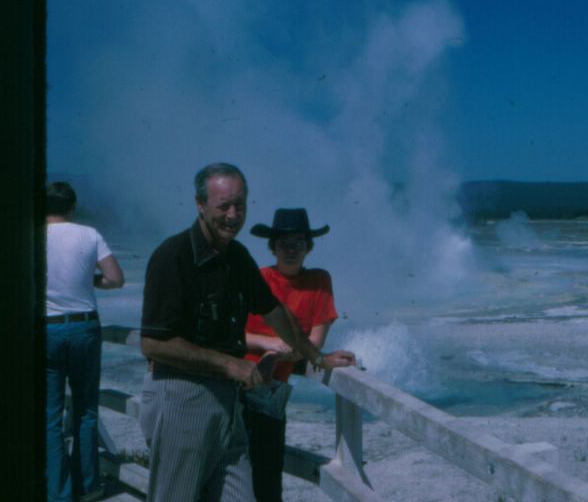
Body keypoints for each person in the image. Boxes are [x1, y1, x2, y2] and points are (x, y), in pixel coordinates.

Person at [138, 163, 355, 502]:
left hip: (230, 402)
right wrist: (230, 364)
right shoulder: (174, 256)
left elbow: (274, 310)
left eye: (239, 205)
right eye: (223, 205)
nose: (233, 215)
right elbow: (153, 343)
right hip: (182, 395)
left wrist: (317, 357)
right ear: (200, 204)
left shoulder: (237, 257)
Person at [243, 208, 339, 502]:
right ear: (272, 247)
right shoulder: (258, 278)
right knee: (235, 472)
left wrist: (280, 353)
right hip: (236, 382)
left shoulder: (319, 281)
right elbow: (231, 335)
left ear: (308, 247)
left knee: (266, 479)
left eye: (298, 242)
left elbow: (314, 343)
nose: (291, 249)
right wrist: (270, 344)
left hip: (271, 392)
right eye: (283, 243)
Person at [45, 181, 125, 502]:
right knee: (86, 410)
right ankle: (88, 487)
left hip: (48, 329)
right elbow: (116, 278)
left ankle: (58, 493)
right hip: (84, 327)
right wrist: (87, 281)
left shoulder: (32, 235)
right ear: (72, 207)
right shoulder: (89, 234)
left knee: (50, 417)